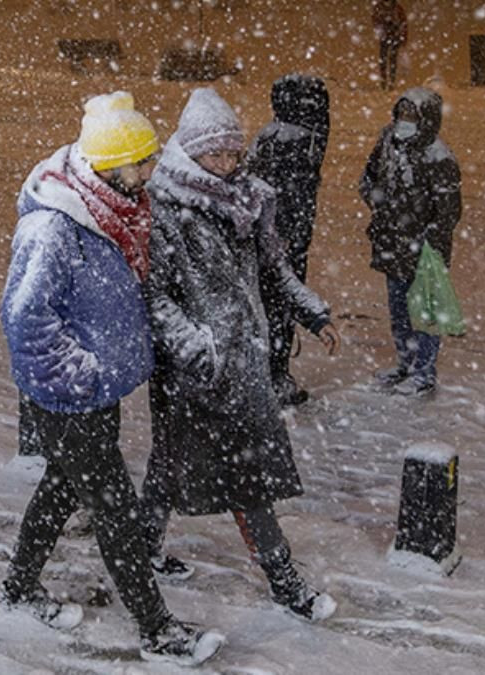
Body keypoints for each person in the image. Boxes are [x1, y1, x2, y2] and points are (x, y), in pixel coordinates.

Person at [0, 90, 223, 667]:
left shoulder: (114, 209)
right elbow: (25, 317)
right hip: (68, 394)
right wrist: (79, 373)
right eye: (141, 162)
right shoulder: (55, 226)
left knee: (62, 486)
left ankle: (19, 588)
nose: (150, 171)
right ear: (107, 165)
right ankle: (156, 630)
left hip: (97, 388)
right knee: (115, 507)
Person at [140, 87, 341, 622]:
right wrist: (196, 347)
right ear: (189, 151)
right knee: (230, 474)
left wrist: (312, 312)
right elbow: (153, 295)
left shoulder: (247, 200)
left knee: (182, 464)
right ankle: (284, 581)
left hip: (243, 362)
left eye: (233, 153)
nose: (227, 164)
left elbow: (276, 268)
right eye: (216, 153)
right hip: (196, 371)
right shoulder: (167, 210)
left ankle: (144, 545)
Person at [359, 87, 462, 396]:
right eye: (401, 114)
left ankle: (424, 371)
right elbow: (369, 175)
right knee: (399, 310)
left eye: (412, 116)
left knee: (425, 314)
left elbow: (448, 211)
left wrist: (428, 243)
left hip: (423, 252)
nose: (405, 121)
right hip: (392, 243)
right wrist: (378, 202)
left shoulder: (439, 156)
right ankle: (405, 362)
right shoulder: (389, 140)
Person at [247, 74, 330, 407]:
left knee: (270, 308)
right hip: (282, 242)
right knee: (280, 310)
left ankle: (269, 373)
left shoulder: (269, 136)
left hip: (268, 238)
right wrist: (289, 239)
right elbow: (291, 198)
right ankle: (276, 376)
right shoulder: (303, 141)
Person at [372, 0, 408, 89]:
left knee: (389, 59)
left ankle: (388, 81)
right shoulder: (390, 7)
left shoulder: (393, 7)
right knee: (387, 59)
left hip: (392, 35)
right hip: (389, 35)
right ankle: (386, 81)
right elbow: (403, 22)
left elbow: (403, 22)